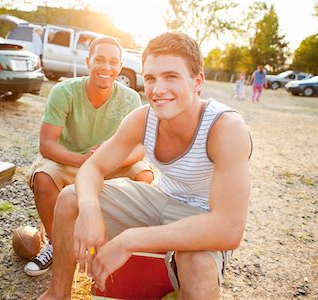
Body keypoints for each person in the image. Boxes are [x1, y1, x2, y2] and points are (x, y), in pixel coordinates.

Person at [39, 31, 252, 300]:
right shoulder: (144, 118)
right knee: (72, 198)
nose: (158, 89)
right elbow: (93, 167)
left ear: (197, 81)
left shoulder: (225, 127)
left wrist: (129, 241)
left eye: (171, 77)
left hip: (202, 215)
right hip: (160, 198)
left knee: (197, 265)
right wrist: (90, 209)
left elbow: (228, 228)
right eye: (150, 78)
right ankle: (57, 294)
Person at [24, 36, 153, 277]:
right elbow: (47, 144)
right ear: (88, 62)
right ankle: (56, 242)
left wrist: (107, 160)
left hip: (110, 162)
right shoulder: (64, 91)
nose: (107, 67)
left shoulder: (131, 98)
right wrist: (85, 161)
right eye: (100, 60)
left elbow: (139, 149)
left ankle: (118, 247)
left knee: (145, 175)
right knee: (43, 177)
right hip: (72, 158)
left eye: (113, 62)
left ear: (120, 65)